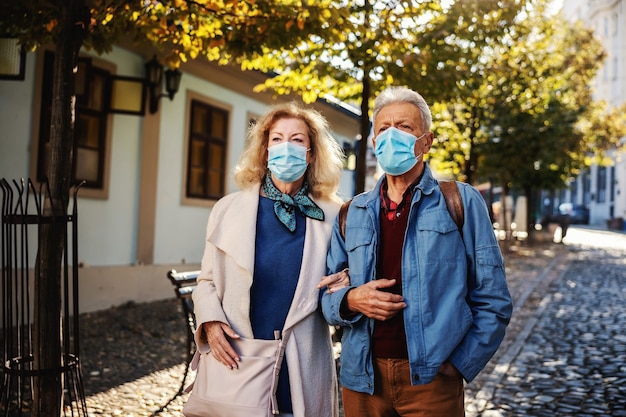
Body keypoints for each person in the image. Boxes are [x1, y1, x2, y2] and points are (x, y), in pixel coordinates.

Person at [321, 86, 513, 417]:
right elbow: (325, 296)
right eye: (384, 129)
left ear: (426, 141)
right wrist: (350, 300)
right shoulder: (351, 212)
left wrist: (458, 365)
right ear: (373, 143)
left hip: (432, 382)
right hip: (362, 381)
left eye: (405, 127)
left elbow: (494, 300)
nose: (392, 136)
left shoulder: (460, 202)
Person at [191, 102, 348, 417]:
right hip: (239, 357)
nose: (286, 147)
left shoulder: (335, 214)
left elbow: (346, 278)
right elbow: (206, 280)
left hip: (302, 360)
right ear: (264, 151)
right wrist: (209, 321)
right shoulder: (227, 209)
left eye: (297, 140)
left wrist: (348, 279)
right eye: (277, 139)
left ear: (312, 153)